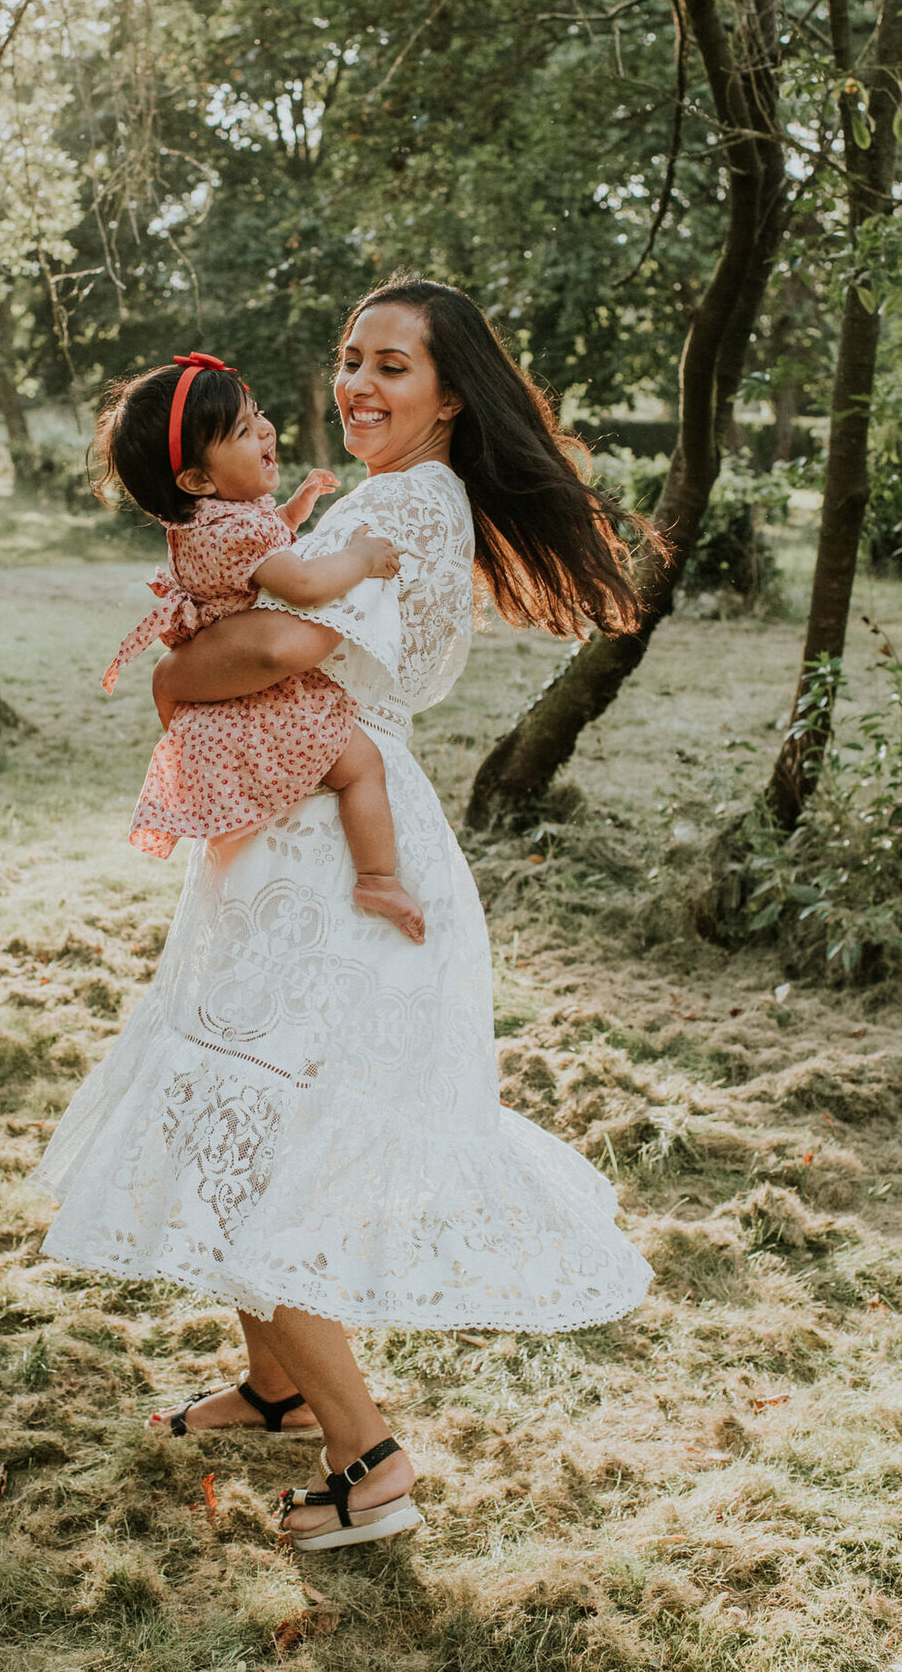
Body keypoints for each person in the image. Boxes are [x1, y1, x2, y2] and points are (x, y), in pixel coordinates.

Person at [32, 277, 656, 1552]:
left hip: (329, 851)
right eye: (349, 359)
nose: (357, 386)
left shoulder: (403, 506)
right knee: (236, 1104)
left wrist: (166, 674)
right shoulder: (398, 499)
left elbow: (258, 656)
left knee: (260, 1133)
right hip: (300, 823)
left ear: (448, 395)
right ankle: (273, 1385)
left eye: (393, 367)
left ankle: (365, 1454)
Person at [97, 351, 424, 941]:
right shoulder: (239, 528)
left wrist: (297, 507)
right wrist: (362, 558)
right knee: (360, 767)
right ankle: (378, 878)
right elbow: (300, 581)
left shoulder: (203, 522)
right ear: (196, 479)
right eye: (245, 431)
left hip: (224, 686)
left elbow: (256, 550)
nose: (266, 429)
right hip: (268, 696)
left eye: (258, 414)